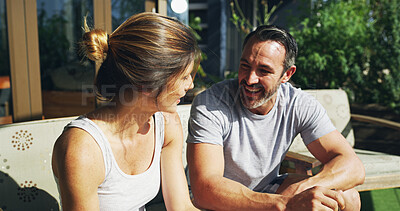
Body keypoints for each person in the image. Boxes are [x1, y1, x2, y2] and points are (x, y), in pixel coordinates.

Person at [186, 25, 365, 211]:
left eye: (263, 70)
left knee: (347, 197)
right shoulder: (211, 103)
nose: (250, 79)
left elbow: (353, 166)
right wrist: (285, 203)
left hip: (268, 190)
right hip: (217, 200)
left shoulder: (298, 104)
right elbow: (205, 188)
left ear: (286, 74)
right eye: (245, 66)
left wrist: (302, 189)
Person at [52, 12, 200, 211]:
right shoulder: (83, 149)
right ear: (148, 82)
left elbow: (181, 207)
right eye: (184, 77)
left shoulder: (167, 123)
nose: (190, 85)